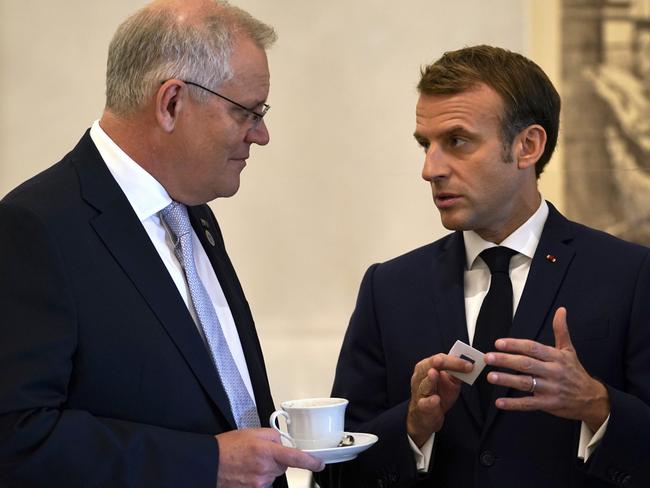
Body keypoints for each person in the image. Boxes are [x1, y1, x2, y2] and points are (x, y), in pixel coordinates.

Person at [0, 1, 324, 486]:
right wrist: (206, 464)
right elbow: (17, 438)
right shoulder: (35, 227)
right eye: (246, 112)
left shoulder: (195, 215)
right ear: (171, 103)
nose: (261, 134)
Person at [316, 45, 650, 488]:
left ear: (527, 146)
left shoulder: (630, 275)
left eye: (457, 141)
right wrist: (413, 427)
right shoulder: (390, 288)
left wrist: (597, 405)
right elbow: (338, 472)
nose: (430, 169)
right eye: (425, 145)